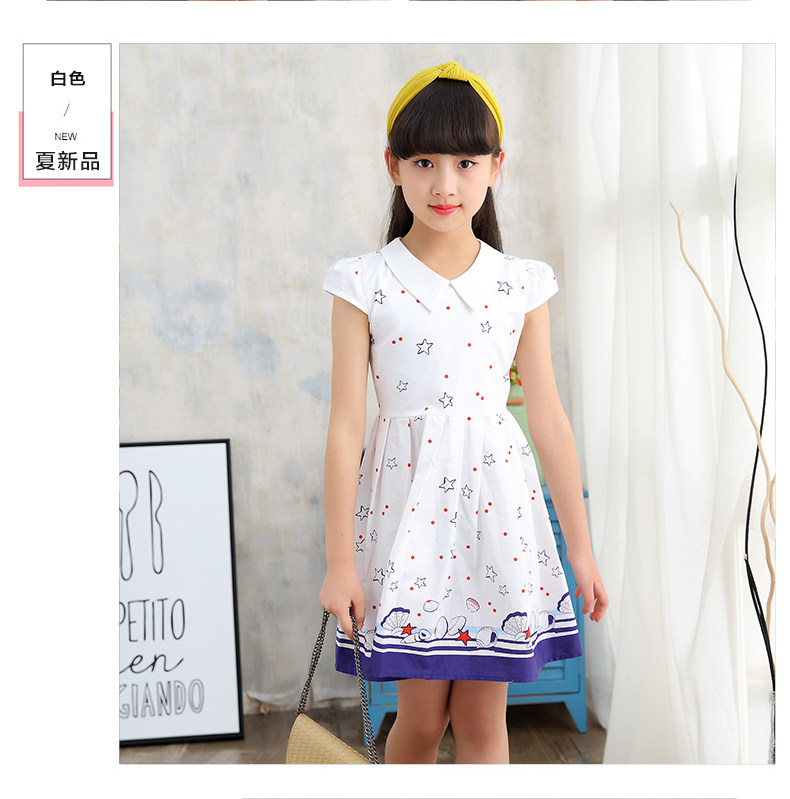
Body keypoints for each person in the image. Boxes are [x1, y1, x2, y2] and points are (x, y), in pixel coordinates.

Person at [319, 61, 608, 765]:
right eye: (424, 161)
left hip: (495, 522)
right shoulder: (363, 282)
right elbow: (346, 426)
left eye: (465, 162)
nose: (445, 184)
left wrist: (581, 551)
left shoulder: (521, 284)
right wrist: (338, 562)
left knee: (482, 722)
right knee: (419, 722)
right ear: (393, 166)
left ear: (495, 167)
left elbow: (549, 421)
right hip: (406, 525)